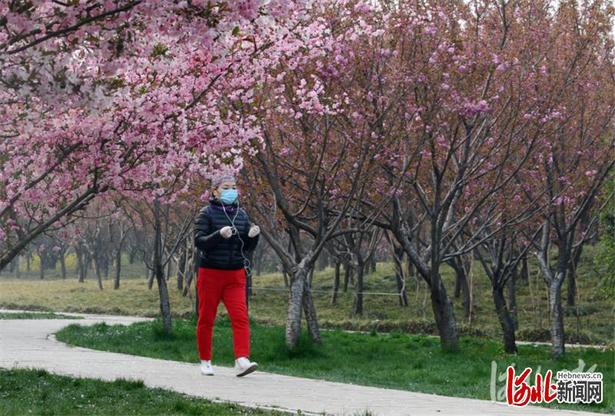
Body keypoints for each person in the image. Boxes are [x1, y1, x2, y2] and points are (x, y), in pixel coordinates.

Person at [194, 172, 261, 377]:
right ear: (215, 191)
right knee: (206, 318)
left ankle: (242, 359)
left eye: (233, 187)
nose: (231, 191)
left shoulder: (241, 214)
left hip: (235, 275)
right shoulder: (206, 214)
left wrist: (253, 237)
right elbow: (199, 241)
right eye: (226, 188)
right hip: (211, 272)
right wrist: (218, 235)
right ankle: (205, 360)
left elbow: (247, 247)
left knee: (240, 317)